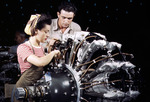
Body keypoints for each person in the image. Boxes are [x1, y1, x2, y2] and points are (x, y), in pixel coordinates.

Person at [13, 13, 60, 102]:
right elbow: (39, 62)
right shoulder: (23, 47)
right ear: (36, 30)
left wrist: (50, 50)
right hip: (24, 90)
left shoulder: (41, 47)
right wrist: (53, 53)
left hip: (36, 90)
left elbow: (44, 63)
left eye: (48, 32)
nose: (48, 35)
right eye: (45, 32)